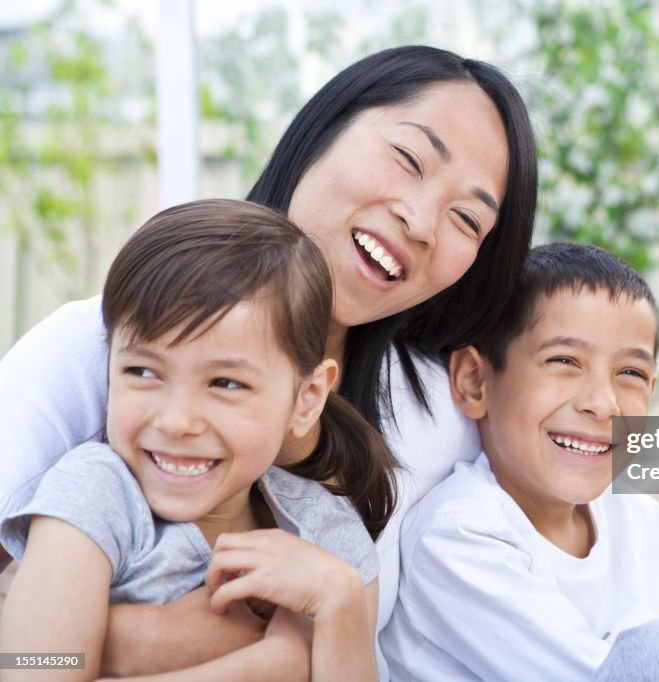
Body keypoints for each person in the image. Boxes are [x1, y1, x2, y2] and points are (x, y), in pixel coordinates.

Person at [0, 45, 536, 677]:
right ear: (321, 131)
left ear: (311, 397)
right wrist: (243, 652)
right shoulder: (94, 355)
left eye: (467, 219)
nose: (421, 222)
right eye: (409, 158)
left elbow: (602, 458)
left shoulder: (429, 414)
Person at [1, 200, 395, 681]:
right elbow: (30, 670)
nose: (177, 421)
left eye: (226, 384)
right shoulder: (96, 495)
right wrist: (268, 667)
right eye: (142, 371)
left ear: (307, 398)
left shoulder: (328, 542)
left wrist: (340, 604)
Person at [381, 243, 659, 681]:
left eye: (631, 374)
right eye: (564, 361)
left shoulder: (639, 519)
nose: (603, 403)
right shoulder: (457, 535)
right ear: (475, 381)